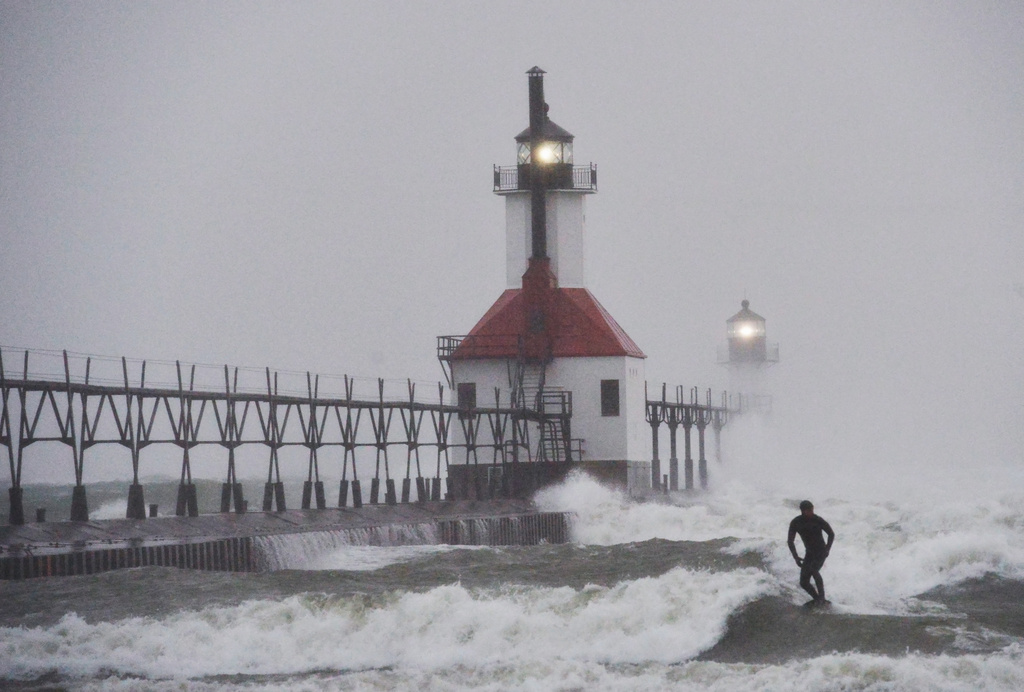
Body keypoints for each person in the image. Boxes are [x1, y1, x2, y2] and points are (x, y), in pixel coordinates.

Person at [787, 500, 835, 604]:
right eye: (809, 510)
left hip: (821, 551)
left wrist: (827, 549)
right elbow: (790, 541)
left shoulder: (817, 520)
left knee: (813, 570)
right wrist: (796, 557)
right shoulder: (796, 522)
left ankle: (822, 598)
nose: (812, 512)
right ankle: (817, 598)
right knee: (803, 582)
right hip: (809, 553)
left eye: (812, 509)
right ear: (803, 511)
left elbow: (831, 534)